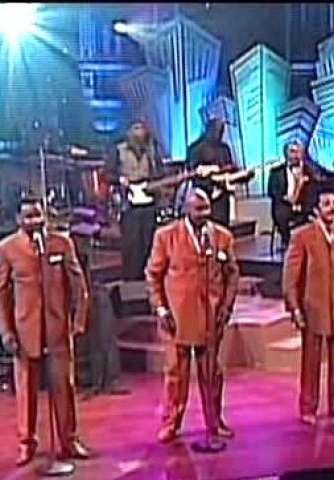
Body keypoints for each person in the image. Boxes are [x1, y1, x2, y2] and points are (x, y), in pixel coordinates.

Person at [0, 198, 91, 466]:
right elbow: (0, 295)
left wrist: (79, 320)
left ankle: (68, 439)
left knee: (64, 386)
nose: (34, 221)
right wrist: (5, 332)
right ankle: (27, 443)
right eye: (28, 216)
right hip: (24, 332)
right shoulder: (6, 249)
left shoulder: (61, 243)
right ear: (18, 220)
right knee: (26, 389)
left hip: (58, 329)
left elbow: (78, 285)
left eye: (38, 215)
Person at [146, 188, 239, 448]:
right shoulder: (166, 236)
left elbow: (232, 275)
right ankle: (171, 423)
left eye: (207, 208)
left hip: (211, 319)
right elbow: (153, 275)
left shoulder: (222, 237)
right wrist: (161, 309)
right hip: (176, 320)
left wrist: (226, 308)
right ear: (186, 209)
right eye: (198, 209)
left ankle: (214, 422)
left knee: (212, 374)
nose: (204, 213)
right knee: (176, 374)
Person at [282, 189, 334, 426]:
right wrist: (294, 308)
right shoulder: (302, 236)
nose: (333, 208)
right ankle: (308, 407)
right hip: (313, 308)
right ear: (316, 210)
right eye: (327, 204)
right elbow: (290, 277)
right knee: (311, 362)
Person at [106, 120, 166, 280]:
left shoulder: (152, 149)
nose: (139, 132)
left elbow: (161, 172)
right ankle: (132, 278)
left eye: (142, 128)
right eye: (136, 128)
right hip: (129, 200)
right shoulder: (118, 150)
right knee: (132, 243)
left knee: (149, 240)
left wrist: (156, 183)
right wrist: (121, 180)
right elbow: (108, 173)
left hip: (149, 198)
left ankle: (149, 275)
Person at [187, 118, 245, 226]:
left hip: (222, 196)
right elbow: (193, 172)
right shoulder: (195, 148)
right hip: (202, 195)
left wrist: (237, 176)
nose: (220, 132)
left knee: (221, 227)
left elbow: (230, 170)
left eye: (222, 129)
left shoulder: (224, 149)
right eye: (218, 129)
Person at [268, 140, 315, 248]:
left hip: (304, 206)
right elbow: (272, 191)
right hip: (285, 205)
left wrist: (301, 202)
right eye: (293, 151)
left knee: (308, 216)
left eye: (299, 152)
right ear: (286, 154)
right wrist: (286, 199)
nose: (296, 155)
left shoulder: (310, 171)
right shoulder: (276, 172)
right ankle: (288, 242)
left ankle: (303, 244)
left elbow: (314, 192)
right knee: (281, 214)